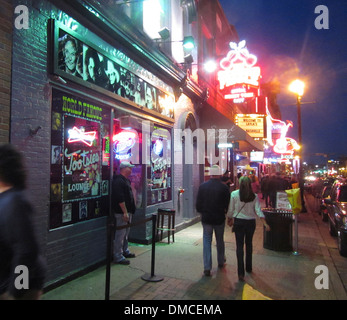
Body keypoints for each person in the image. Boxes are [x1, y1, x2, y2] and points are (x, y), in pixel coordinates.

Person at [0, 144, 46, 299]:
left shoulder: (15, 201)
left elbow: (27, 250)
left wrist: (16, 291)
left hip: (19, 286)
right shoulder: (6, 198)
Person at [227, 176, 270, 281]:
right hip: (250, 222)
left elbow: (230, 210)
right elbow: (259, 211)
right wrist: (265, 223)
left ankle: (240, 273)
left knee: (239, 246)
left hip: (239, 222)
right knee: (249, 244)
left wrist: (229, 219)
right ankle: (249, 267)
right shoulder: (254, 196)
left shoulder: (234, 194)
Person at [196, 165, 230, 276]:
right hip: (219, 218)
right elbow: (227, 204)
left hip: (206, 218)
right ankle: (220, 261)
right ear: (219, 174)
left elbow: (198, 204)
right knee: (220, 240)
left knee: (206, 241)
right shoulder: (224, 188)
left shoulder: (203, 186)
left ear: (210, 174)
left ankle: (207, 267)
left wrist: (202, 212)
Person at [112, 161, 136, 265]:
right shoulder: (118, 181)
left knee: (126, 233)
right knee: (120, 234)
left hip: (128, 212)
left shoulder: (125, 180)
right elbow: (120, 198)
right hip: (122, 213)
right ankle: (118, 256)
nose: (131, 170)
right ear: (124, 169)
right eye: (129, 168)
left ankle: (125, 251)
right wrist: (125, 212)